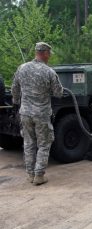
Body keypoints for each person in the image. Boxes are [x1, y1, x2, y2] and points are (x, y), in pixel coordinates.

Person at [11, 42, 63, 185]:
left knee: (28, 143)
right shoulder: (49, 72)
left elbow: (15, 89)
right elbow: (59, 93)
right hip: (41, 114)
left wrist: (17, 102)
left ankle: (30, 174)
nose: (49, 57)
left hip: (25, 113)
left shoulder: (22, 68)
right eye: (49, 54)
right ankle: (39, 175)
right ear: (45, 53)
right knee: (44, 144)